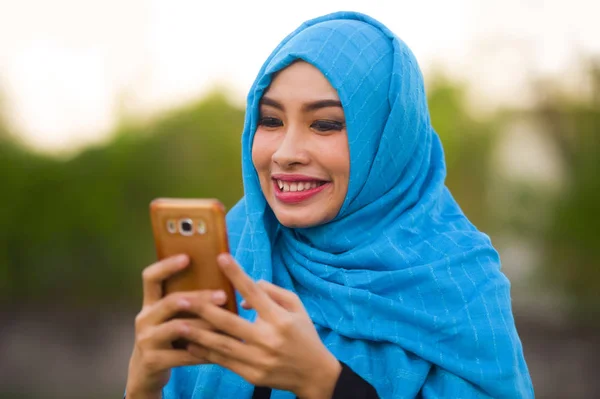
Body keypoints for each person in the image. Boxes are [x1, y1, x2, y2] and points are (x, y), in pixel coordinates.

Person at [124, 11, 534, 399]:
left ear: (388, 144)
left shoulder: (456, 285)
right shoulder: (232, 257)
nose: (285, 153)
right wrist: (142, 385)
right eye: (270, 121)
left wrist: (326, 383)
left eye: (325, 124)